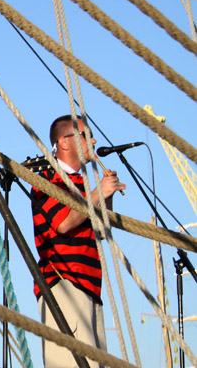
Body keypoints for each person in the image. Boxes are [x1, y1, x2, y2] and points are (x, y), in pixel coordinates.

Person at [32, 115, 125, 368]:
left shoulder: (81, 185)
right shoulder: (47, 177)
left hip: (90, 288)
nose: (93, 141)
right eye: (86, 136)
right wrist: (97, 193)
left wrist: (105, 197)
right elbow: (63, 223)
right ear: (64, 142)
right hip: (64, 284)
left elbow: (101, 231)